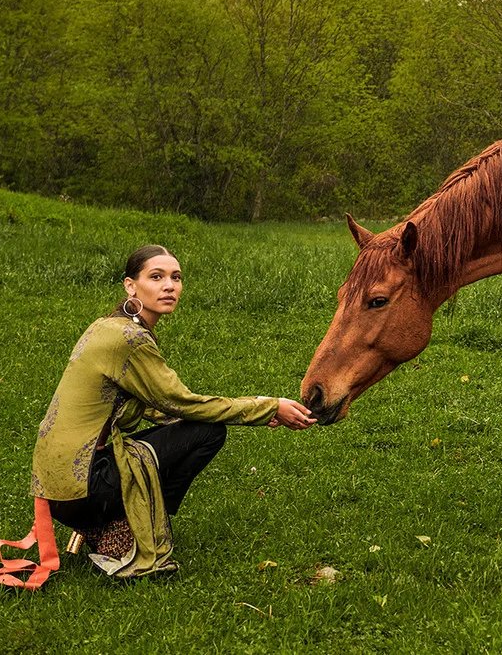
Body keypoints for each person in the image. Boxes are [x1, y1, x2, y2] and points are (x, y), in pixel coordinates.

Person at [27, 244, 316, 579]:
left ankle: (105, 526)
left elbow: (156, 407)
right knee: (207, 432)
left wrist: (257, 412)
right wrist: (266, 407)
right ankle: (118, 527)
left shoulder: (107, 326)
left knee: (198, 427)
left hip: (59, 487)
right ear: (130, 285)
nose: (169, 285)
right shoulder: (128, 339)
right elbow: (183, 403)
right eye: (156, 276)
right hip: (82, 487)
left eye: (176, 278)